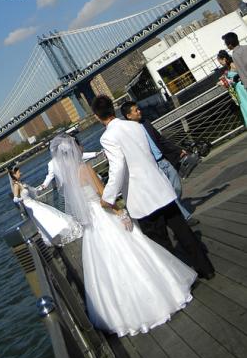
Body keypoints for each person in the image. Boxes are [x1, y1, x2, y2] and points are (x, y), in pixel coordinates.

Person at [49, 134, 196, 337]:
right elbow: (104, 197)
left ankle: (119, 314)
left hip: (92, 225)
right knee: (133, 248)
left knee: (106, 266)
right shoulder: (85, 168)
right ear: (76, 149)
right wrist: (121, 212)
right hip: (104, 215)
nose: (82, 146)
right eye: (79, 144)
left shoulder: (66, 178)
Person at [92, 94, 214, 280]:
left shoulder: (107, 137)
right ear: (113, 108)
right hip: (160, 187)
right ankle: (206, 269)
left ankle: (180, 280)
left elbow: (118, 168)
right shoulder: (135, 125)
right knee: (183, 231)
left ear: (97, 116)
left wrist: (107, 197)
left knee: (160, 241)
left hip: (142, 196)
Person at [120, 100, 196, 224]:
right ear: (129, 116)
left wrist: (178, 150)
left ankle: (174, 208)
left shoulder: (146, 123)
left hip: (164, 160)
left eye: (138, 109)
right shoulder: (128, 132)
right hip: (153, 166)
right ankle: (186, 218)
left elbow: (161, 140)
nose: (139, 111)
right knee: (170, 191)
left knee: (176, 187)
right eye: (136, 110)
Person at [8, 164, 83, 246]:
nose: (21, 173)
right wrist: (21, 199)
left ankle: (60, 232)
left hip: (34, 203)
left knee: (50, 215)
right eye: (19, 172)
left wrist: (40, 188)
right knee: (44, 219)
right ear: (14, 174)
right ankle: (54, 236)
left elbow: (33, 191)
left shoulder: (20, 183)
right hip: (30, 206)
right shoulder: (16, 185)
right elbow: (15, 199)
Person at [217, 50, 247, 126]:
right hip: (238, 90)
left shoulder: (233, 64)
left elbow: (241, 74)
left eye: (220, 61)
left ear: (224, 59)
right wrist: (224, 79)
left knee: (245, 106)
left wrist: (227, 80)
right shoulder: (228, 68)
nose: (220, 63)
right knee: (244, 106)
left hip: (241, 87)